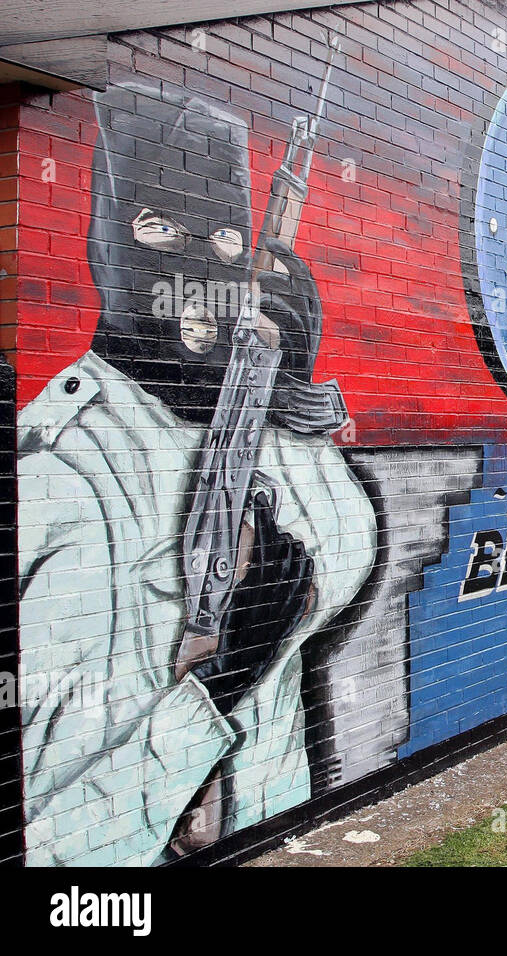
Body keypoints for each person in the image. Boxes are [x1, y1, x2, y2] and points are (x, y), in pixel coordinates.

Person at [17, 83, 377, 866]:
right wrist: (216, 685)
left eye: (222, 239)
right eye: (157, 227)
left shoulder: (242, 415)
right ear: (108, 236)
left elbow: (344, 560)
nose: (196, 264)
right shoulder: (63, 476)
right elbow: (56, 853)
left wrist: (289, 385)